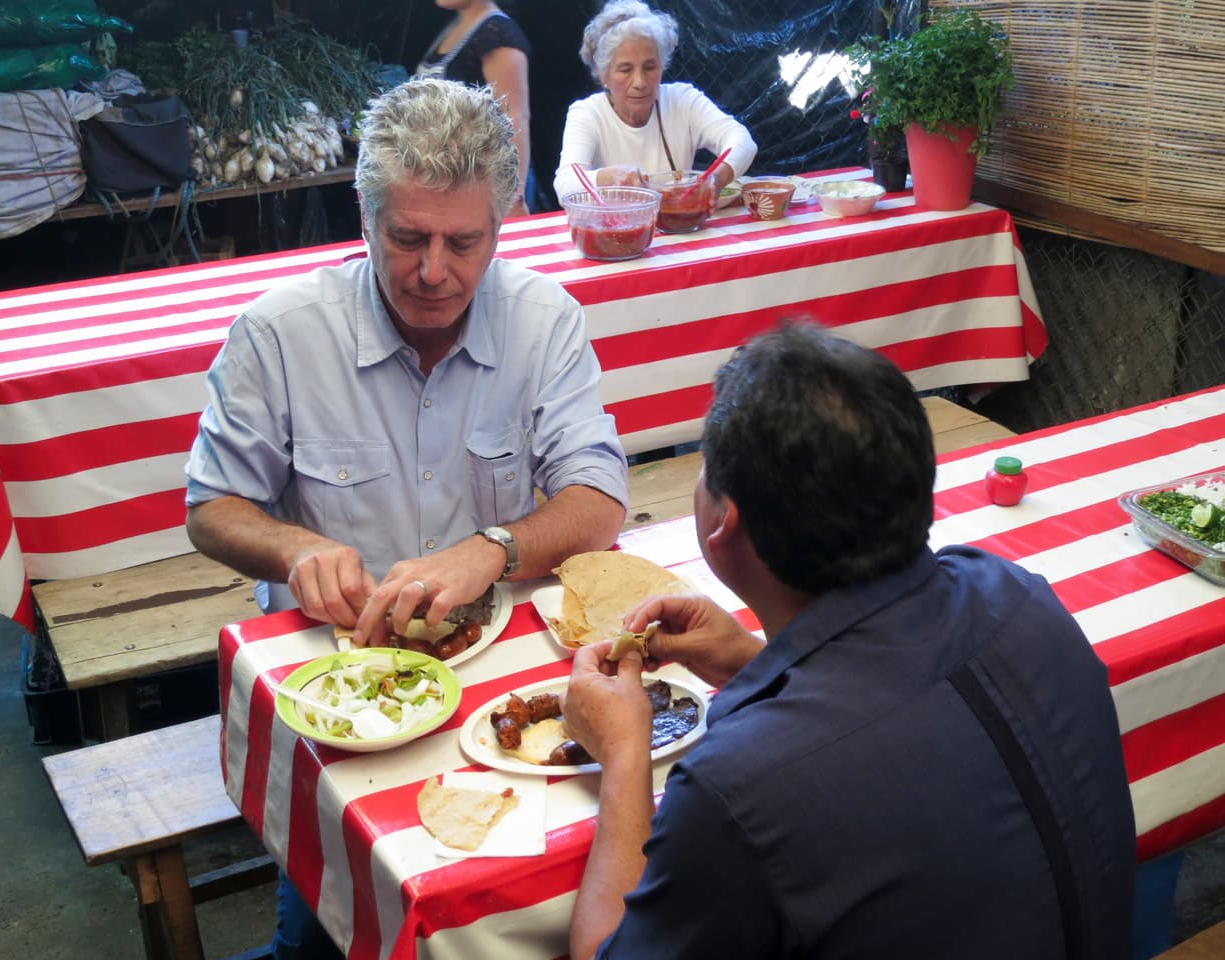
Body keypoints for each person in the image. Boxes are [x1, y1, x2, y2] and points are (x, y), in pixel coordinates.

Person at [184, 77, 628, 959]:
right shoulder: (280, 335)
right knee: (328, 932)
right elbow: (211, 507)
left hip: (505, 694)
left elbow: (599, 499)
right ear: (364, 219)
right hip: (342, 704)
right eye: (407, 238)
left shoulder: (545, 322)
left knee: (536, 905)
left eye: (464, 242)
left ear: (502, 226)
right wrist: (294, 544)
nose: (434, 271)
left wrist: (493, 548)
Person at [561, 323, 1137, 960]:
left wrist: (621, 754)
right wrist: (753, 660)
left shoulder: (736, 788)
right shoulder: (1016, 594)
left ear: (724, 522)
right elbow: (906, 716)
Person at [552, 0, 756, 203]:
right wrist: (607, 177)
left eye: (650, 67)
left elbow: (742, 142)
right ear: (603, 74)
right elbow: (565, 184)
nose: (640, 82)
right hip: (618, 231)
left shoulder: (682, 100)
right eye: (625, 69)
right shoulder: (587, 113)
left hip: (679, 228)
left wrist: (715, 181)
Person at [414, 0, 536, 217]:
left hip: (481, 184)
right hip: (446, 179)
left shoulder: (498, 33)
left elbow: (515, 116)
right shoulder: (454, 26)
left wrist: (513, 195)